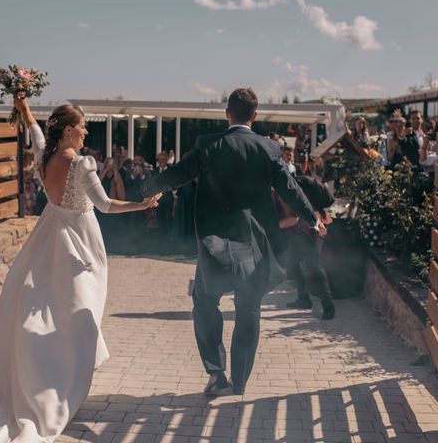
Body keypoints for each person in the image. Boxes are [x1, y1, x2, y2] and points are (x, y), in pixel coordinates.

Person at [0, 95, 160, 442]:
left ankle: (48, 370)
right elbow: (105, 205)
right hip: (78, 245)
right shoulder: (82, 165)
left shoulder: (45, 156)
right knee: (77, 311)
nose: (86, 133)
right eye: (82, 127)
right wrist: (141, 204)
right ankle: (60, 384)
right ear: (69, 131)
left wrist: (25, 112)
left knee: (51, 310)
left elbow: (37, 135)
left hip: (48, 236)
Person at [139, 88, 325, 397]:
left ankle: (215, 373)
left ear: (227, 114)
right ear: (255, 116)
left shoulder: (208, 145)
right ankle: (239, 382)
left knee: (204, 300)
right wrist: (313, 218)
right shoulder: (268, 149)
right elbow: (290, 189)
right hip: (254, 243)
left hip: (215, 243)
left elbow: (177, 174)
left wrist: (147, 189)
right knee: (249, 309)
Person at [278, 175, 336, 319]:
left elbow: (303, 207)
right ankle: (303, 299)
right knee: (292, 264)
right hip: (300, 229)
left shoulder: (293, 184)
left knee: (314, 266)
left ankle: (328, 305)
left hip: (315, 227)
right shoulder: (284, 185)